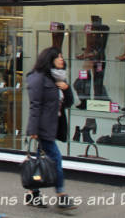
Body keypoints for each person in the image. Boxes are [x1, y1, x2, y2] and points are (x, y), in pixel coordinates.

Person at [25, 46, 77, 210]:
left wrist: (67, 89)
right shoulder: (38, 78)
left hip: (54, 126)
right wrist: (33, 130)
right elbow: (35, 105)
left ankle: (34, 194)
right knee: (56, 159)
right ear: (49, 59)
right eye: (58, 57)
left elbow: (68, 103)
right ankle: (61, 196)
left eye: (62, 56)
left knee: (41, 162)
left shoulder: (59, 79)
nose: (62, 59)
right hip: (43, 127)